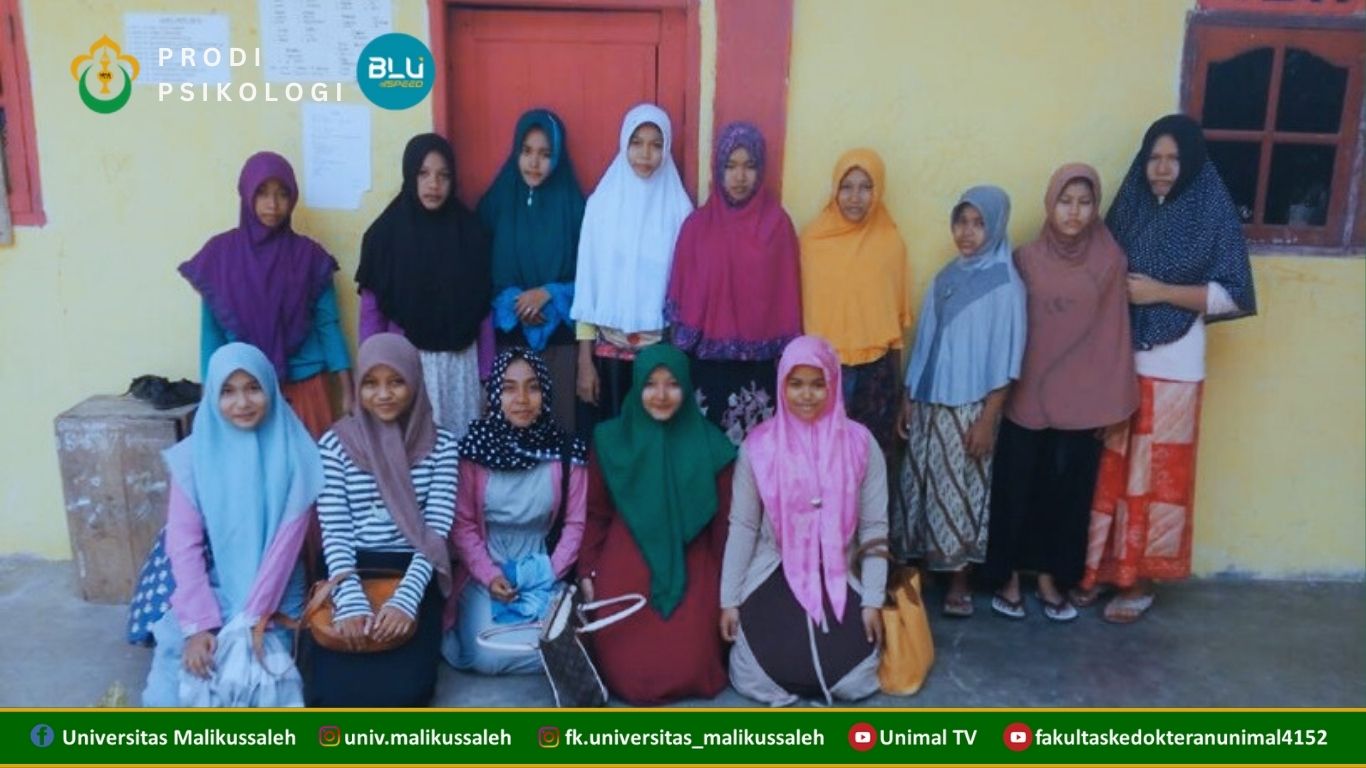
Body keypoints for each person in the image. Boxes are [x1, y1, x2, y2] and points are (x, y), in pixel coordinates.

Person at [1081, 114, 1256, 623]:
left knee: (1157, 485)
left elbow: (1234, 295)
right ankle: (1101, 571)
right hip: (1122, 362)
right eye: (1153, 158)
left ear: (1190, 162)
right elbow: (1101, 269)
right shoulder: (1131, 206)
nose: (1160, 168)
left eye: (1172, 159)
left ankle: (1140, 581)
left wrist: (1161, 292)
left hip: (1176, 367)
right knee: (1109, 476)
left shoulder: (1211, 209)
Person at [982, 164, 1138, 622]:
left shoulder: (1110, 261)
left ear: (1096, 208)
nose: (1074, 211)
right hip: (1027, 391)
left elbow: (1115, 331)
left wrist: (1112, 403)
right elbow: (1008, 326)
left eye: (1084, 202)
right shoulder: (1025, 260)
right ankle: (1008, 575)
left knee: (1067, 493)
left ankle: (1052, 578)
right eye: (1065, 201)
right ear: (1050, 204)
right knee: (1016, 485)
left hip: (1083, 397)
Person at [142, 343, 322, 707]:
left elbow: (284, 550)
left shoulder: (295, 452)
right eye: (228, 391)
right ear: (212, 396)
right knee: (168, 696)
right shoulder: (193, 457)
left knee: (264, 685)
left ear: (270, 388)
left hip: (274, 590)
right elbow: (184, 545)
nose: (242, 402)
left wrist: (249, 621)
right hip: (213, 581)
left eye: (253, 388)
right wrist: (199, 627)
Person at [720, 335, 888, 706]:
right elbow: (743, 528)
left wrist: (872, 601)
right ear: (781, 385)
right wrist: (729, 599)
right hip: (775, 568)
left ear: (834, 384)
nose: (807, 395)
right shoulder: (758, 447)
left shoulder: (861, 444)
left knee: (854, 677)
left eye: (817, 383)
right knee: (757, 674)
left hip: (839, 569)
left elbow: (875, 527)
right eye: (796, 384)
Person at [578, 344, 735, 704]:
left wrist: (726, 595)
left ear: (687, 387)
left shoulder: (714, 447)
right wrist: (587, 570)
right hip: (627, 566)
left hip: (694, 564)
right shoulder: (611, 441)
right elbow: (598, 514)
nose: (661, 395)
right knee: (628, 671)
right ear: (636, 386)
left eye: (672, 384)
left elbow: (723, 532)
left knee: (690, 664)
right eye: (650, 384)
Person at [896, 186, 1026, 619]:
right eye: (961, 222)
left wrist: (988, 419)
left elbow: (1007, 358)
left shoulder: (1006, 285)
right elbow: (924, 344)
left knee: (960, 493)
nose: (967, 233)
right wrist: (909, 397)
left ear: (997, 226)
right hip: (930, 402)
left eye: (978, 223)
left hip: (970, 408)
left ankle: (959, 580)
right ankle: (921, 570)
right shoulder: (946, 277)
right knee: (921, 486)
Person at [308, 333, 458, 707]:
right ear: (359, 387)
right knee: (330, 692)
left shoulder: (442, 446)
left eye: (396, 381)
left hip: (414, 569)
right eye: (371, 383)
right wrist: (350, 600)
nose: (384, 394)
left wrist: (406, 600)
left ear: (415, 382)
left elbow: (436, 530)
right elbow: (336, 531)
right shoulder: (335, 445)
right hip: (350, 568)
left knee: (407, 692)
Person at [179, 151, 351, 440]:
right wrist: (210, 398)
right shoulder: (220, 257)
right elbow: (212, 335)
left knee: (310, 468)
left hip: (304, 390)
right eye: (262, 193)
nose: (273, 204)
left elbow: (328, 325)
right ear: (246, 194)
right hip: (243, 395)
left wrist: (348, 390)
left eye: (282, 194)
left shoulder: (309, 257)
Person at [444, 348, 588, 675]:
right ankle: (549, 654)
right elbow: (463, 525)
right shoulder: (475, 451)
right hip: (486, 571)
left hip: (545, 567)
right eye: (509, 388)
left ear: (545, 392)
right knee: (487, 654)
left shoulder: (567, 452)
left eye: (532, 387)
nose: (522, 399)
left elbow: (576, 523)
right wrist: (490, 575)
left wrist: (550, 572)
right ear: (495, 395)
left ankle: (554, 648)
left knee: (574, 640)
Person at [665, 122, 802, 445]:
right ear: (718, 168)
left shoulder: (778, 225)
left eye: (749, 166)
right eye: (730, 166)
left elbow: (788, 297)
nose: (740, 177)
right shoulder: (697, 226)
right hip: (704, 368)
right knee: (704, 456)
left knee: (753, 460)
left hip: (758, 373)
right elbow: (682, 292)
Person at [356, 133, 493, 439]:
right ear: (410, 175)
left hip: (459, 370)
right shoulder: (383, 237)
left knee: (459, 452)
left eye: (443, 175)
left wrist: (487, 375)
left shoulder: (471, 234)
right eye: (424, 173)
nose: (434, 184)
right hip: (404, 369)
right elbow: (371, 314)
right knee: (408, 449)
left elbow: (482, 309)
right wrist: (371, 375)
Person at [571, 104, 693, 425]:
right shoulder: (601, 206)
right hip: (607, 357)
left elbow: (684, 292)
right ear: (624, 142)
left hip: (659, 359)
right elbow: (587, 287)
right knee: (612, 441)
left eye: (656, 144)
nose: (645, 154)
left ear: (666, 148)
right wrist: (584, 362)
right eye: (637, 142)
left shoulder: (680, 212)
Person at [479, 109, 586, 434]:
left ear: (557, 156)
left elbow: (592, 278)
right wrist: (515, 302)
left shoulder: (574, 206)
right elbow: (477, 272)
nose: (534, 162)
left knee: (557, 432)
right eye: (526, 151)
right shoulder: (498, 201)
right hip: (508, 343)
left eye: (545, 153)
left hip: (560, 344)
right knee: (511, 434)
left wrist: (548, 294)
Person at [799, 148, 910, 453]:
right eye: (846, 187)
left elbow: (894, 320)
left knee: (868, 455)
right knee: (823, 453)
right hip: (824, 369)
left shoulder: (889, 242)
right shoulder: (813, 241)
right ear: (835, 189)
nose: (855, 197)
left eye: (865, 187)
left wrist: (898, 384)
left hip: (876, 372)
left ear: (878, 190)